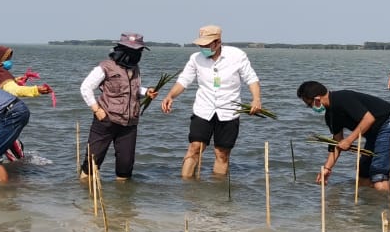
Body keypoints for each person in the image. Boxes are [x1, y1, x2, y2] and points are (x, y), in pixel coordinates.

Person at [160, 25, 261, 178]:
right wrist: (170, 96)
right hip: (203, 110)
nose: (203, 48)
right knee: (195, 147)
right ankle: (185, 186)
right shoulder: (195, 58)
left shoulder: (237, 56)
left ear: (218, 42)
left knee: (222, 153)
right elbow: (184, 80)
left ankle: (217, 189)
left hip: (229, 111)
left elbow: (251, 79)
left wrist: (256, 99)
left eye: (206, 45)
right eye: (201, 45)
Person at [297, 80, 390, 192]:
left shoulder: (342, 98)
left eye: (309, 105)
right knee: (363, 171)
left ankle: (383, 202)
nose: (310, 108)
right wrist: (327, 168)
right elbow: (337, 143)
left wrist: (349, 141)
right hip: (375, 134)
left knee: (378, 171)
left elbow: (368, 119)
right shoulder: (330, 115)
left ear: (317, 99)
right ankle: (369, 202)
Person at [79, 33, 159, 181]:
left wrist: (146, 92)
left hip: (129, 123)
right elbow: (86, 88)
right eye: (133, 51)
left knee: (125, 167)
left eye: (139, 51)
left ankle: (123, 195)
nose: (137, 54)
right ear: (121, 50)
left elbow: (132, 90)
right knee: (92, 163)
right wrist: (97, 109)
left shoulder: (135, 68)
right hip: (106, 120)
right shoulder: (106, 67)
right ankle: (84, 190)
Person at [0, 46, 52, 163]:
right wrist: (36, 90)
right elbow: (13, 90)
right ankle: (17, 167)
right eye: (6, 59)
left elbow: (4, 87)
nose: (9, 62)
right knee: (8, 145)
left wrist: (16, 81)